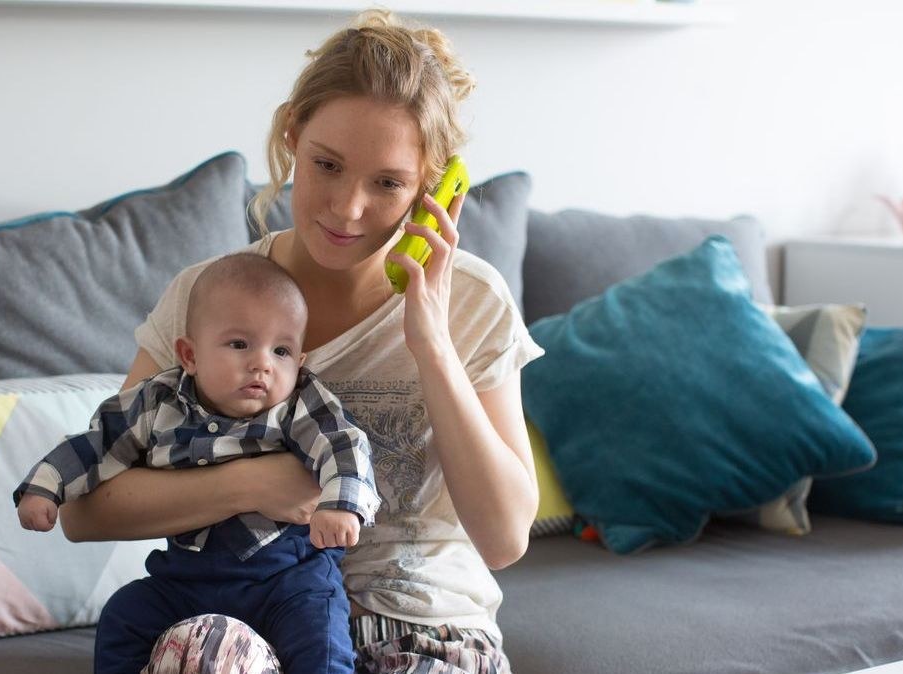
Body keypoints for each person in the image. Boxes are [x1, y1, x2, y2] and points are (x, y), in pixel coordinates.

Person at [59, 8, 544, 674]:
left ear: (432, 187)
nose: (347, 209)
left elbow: (504, 537)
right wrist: (256, 482)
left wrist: (430, 337)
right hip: (245, 614)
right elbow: (85, 509)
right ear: (292, 136)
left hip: (424, 627)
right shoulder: (211, 301)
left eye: (387, 183)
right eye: (327, 165)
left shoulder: (472, 301)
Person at [15, 252, 381, 674]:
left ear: (298, 364)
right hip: (188, 581)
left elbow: (345, 445)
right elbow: (97, 443)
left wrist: (342, 503)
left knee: (320, 635)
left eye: (281, 350)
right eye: (239, 344)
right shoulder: (157, 403)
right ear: (189, 355)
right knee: (124, 614)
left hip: (287, 582)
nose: (262, 362)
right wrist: (45, 486)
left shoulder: (299, 403)